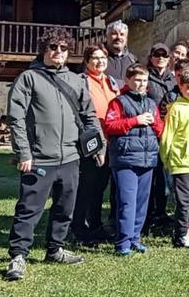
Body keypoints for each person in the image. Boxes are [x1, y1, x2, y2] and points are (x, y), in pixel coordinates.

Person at [5, 28, 99, 281]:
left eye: (63, 48)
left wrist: (97, 146)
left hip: (70, 157)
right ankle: (18, 256)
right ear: (44, 50)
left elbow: (90, 115)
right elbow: (16, 118)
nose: (58, 52)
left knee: (64, 207)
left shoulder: (76, 80)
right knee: (29, 209)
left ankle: (55, 249)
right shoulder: (29, 78)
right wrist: (24, 152)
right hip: (38, 158)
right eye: (53, 47)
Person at [103, 64, 164, 256]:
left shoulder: (151, 104)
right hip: (125, 159)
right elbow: (110, 126)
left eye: (144, 81)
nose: (141, 84)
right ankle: (123, 242)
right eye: (137, 80)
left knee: (141, 202)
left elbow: (159, 130)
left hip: (147, 159)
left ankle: (135, 237)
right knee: (127, 202)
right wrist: (134, 121)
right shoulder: (119, 102)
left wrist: (157, 125)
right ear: (128, 81)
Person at [71, 44, 119, 246]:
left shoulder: (111, 82)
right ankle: (79, 229)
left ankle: (96, 225)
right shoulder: (81, 82)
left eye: (103, 58)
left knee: (100, 186)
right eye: (95, 58)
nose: (100, 62)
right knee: (86, 186)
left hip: (110, 140)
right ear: (87, 61)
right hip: (90, 140)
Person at [160, 69, 189, 249]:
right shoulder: (175, 108)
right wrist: (166, 157)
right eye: (187, 87)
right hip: (181, 161)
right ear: (180, 87)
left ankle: (185, 233)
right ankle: (180, 236)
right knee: (184, 201)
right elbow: (167, 136)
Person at [143, 43, 175, 233]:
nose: (160, 58)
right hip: (151, 131)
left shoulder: (172, 78)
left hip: (169, 131)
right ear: (151, 56)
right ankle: (148, 215)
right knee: (152, 175)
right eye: (157, 54)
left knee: (164, 176)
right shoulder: (147, 77)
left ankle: (161, 213)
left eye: (164, 55)